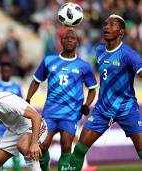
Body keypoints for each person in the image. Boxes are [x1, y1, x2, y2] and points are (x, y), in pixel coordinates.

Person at [69, 14, 142, 171]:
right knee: (79, 150)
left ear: (121, 32)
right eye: (105, 24)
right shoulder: (99, 50)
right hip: (103, 109)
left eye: (112, 25)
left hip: (127, 109)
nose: (106, 27)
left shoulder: (128, 54)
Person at [26, 29, 98, 171]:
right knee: (42, 145)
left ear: (77, 42)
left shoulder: (84, 66)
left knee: (66, 145)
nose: (70, 40)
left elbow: (93, 89)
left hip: (71, 113)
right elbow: (36, 81)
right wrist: (27, 99)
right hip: (50, 112)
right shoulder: (49, 61)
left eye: (73, 38)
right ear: (61, 41)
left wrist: (87, 104)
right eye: (66, 38)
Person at [0, 63, 23, 171]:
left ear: (11, 72)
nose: (6, 73)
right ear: (0, 72)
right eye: (4, 71)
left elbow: (22, 105)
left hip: (14, 125)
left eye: (8, 71)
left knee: (16, 153)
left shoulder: (16, 86)